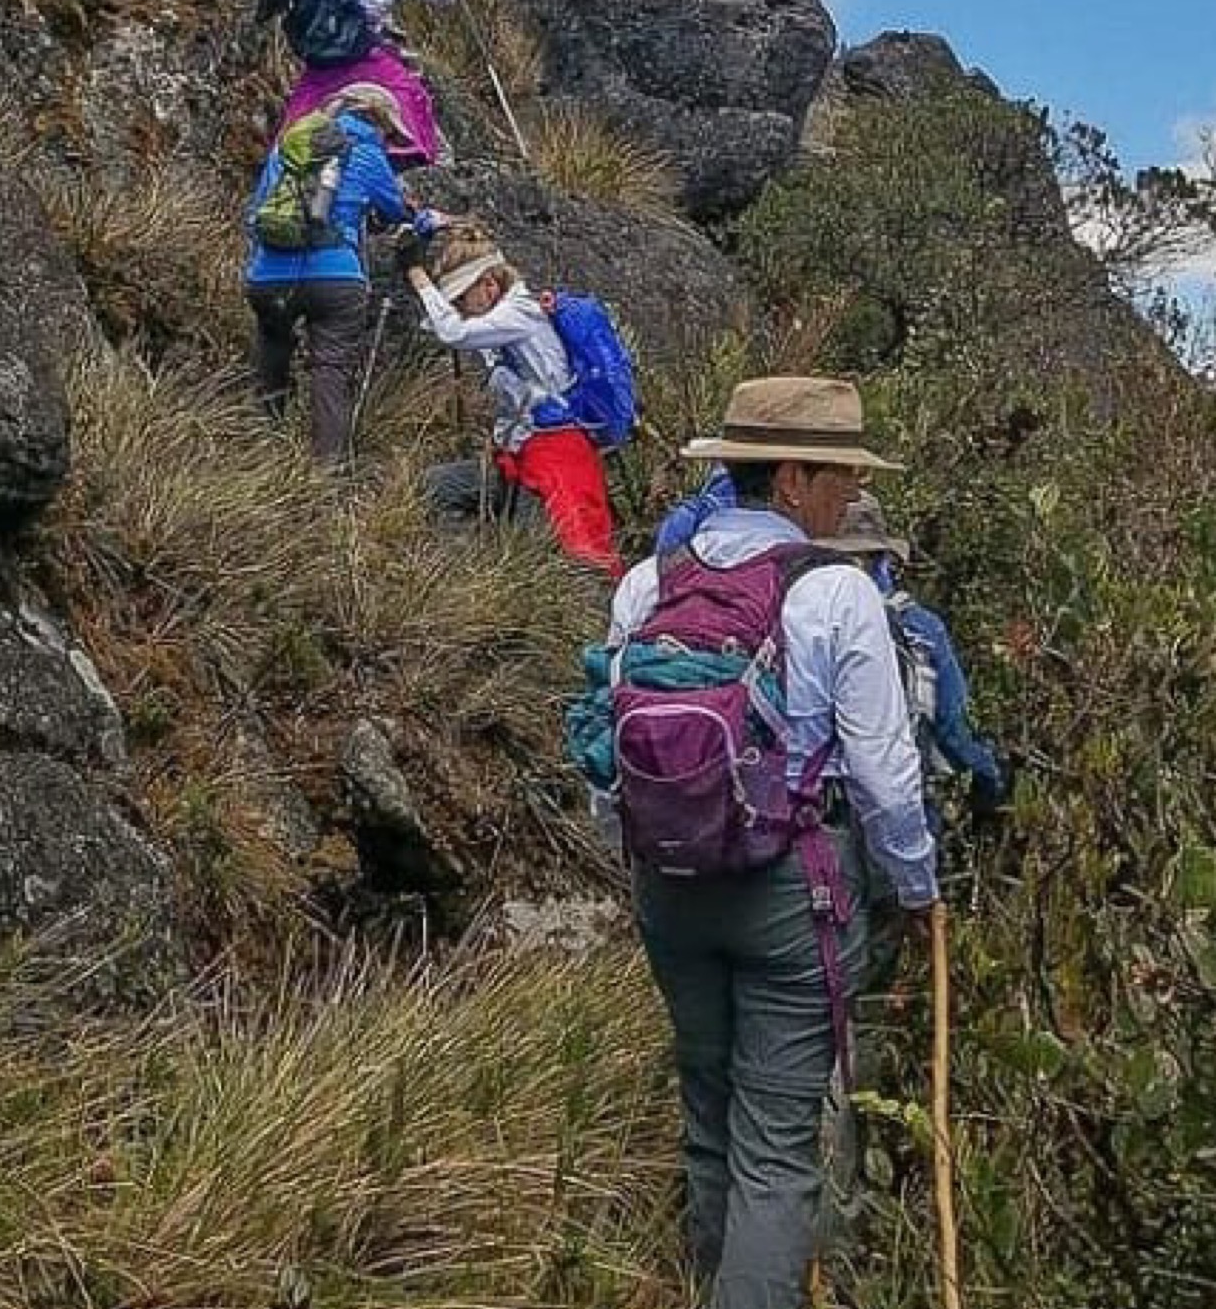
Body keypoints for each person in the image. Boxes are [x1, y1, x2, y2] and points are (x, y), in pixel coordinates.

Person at [611, 377, 937, 1309]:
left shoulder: (649, 584)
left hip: (669, 889)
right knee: (776, 1149)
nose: (845, 496)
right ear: (791, 477)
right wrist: (917, 888)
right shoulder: (834, 592)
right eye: (836, 474)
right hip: (791, 892)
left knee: (706, 1120)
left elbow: (611, 752)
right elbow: (883, 773)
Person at [662, 475, 1011, 823]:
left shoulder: (783, 607)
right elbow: (954, 731)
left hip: (788, 818)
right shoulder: (919, 627)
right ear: (881, 558)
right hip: (884, 822)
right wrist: (992, 785)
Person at [403, 223, 623, 575]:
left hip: (555, 453)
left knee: (556, 556)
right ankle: (465, 578)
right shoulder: (502, 315)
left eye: (463, 298)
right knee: (434, 488)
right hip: (523, 453)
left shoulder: (518, 314)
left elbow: (452, 332)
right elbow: (444, 325)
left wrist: (418, 275)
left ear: (490, 285)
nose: (461, 308)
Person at [244, 83, 437, 464]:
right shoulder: (367, 150)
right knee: (330, 369)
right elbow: (397, 211)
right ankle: (328, 473)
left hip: (268, 275)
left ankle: (263, 453)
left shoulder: (289, 144)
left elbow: (257, 211)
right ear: (376, 120)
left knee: (272, 349)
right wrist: (422, 218)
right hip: (335, 276)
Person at [270, 0, 462, 166]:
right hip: (364, 50)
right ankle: (423, 162)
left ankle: (278, 168)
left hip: (322, 58)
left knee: (297, 118)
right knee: (412, 96)